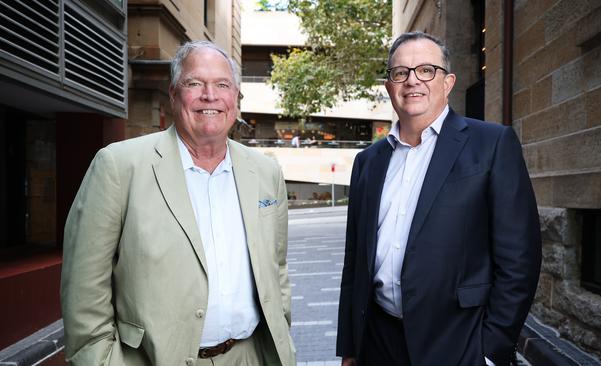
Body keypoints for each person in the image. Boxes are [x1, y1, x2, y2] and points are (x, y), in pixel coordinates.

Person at [61, 41, 296, 366]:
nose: (209, 95)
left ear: (235, 99)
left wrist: (282, 334)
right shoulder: (119, 166)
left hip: (250, 356)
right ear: (173, 95)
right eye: (194, 83)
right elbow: (84, 289)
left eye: (222, 85)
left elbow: (277, 268)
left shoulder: (266, 171)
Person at [336, 32, 541, 366]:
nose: (412, 80)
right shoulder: (368, 162)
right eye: (400, 72)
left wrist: (491, 351)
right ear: (390, 86)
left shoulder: (491, 144)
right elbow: (354, 261)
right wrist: (351, 347)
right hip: (378, 341)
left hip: (459, 342)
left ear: (447, 82)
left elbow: (520, 259)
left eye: (426, 70)